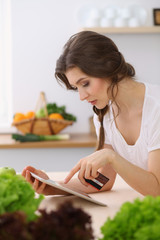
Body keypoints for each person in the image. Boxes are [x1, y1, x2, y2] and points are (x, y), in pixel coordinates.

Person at [22, 31, 160, 197]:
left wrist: (111, 156)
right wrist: (51, 185)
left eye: (85, 83)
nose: (81, 96)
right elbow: (103, 180)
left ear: (108, 67)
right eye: (76, 88)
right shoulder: (104, 114)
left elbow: (156, 189)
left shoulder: (156, 108)